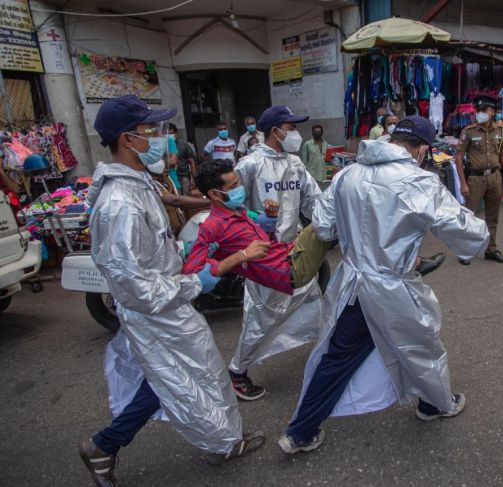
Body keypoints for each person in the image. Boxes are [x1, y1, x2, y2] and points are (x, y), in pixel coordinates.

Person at [80, 95, 264, 487]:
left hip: (170, 300)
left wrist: (183, 251)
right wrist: (197, 281)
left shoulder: (139, 183)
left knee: (181, 379)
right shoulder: (120, 204)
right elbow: (133, 286)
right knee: (186, 378)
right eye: (150, 131)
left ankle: (217, 441)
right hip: (158, 311)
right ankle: (106, 445)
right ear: (127, 140)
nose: (160, 138)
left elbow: (147, 249)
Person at [277, 116, 490, 454]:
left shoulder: (347, 174)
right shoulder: (419, 181)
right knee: (421, 347)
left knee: (339, 357)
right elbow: (470, 233)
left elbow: (322, 225)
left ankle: (299, 432)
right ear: (421, 149)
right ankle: (435, 405)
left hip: (354, 285)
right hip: (391, 289)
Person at [228, 105, 324, 401]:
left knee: (310, 299)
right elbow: (229, 205)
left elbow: (314, 202)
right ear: (276, 131)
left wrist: (333, 221)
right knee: (261, 315)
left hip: (292, 248)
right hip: (263, 254)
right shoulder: (250, 165)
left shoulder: (295, 163)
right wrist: (257, 219)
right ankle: (237, 370)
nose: (295, 132)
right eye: (291, 127)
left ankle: (323, 352)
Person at [184, 159, 333, 292]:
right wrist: (241, 256)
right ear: (215, 194)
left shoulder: (241, 212)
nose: (240, 187)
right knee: (329, 213)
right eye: (233, 185)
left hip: (290, 253)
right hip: (290, 269)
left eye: (239, 182)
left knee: (329, 215)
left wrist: (270, 217)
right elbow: (193, 277)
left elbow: (262, 248)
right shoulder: (212, 225)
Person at [454, 96, 503, 265]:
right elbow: (458, 158)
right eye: (478, 110)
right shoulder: (469, 131)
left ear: (493, 112)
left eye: (484, 110)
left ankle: (491, 249)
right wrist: (463, 183)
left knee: (492, 216)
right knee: (469, 216)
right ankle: (465, 251)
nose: (480, 113)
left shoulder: (500, 131)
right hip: (475, 179)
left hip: (495, 177)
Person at [168, 123, 197, 196]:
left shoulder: (184, 145)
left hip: (183, 175)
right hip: (169, 175)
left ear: (176, 133)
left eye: (171, 133)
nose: (169, 135)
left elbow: (192, 162)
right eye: (167, 133)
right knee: (174, 196)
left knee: (187, 196)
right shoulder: (163, 146)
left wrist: (194, 178)